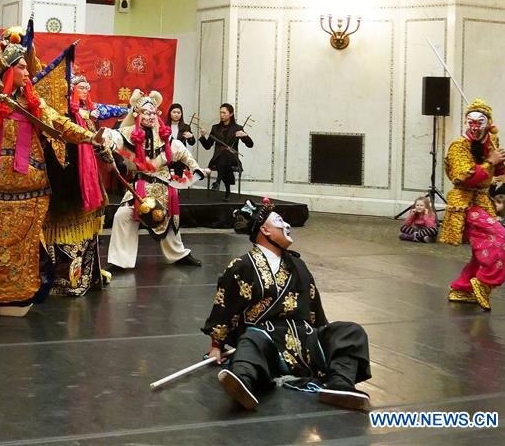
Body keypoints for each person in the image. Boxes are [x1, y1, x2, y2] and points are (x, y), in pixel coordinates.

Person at [0, 29, 104, 316]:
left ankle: (16, 298)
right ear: (8, 70)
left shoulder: (34, 103)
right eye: (22, 67)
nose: (28, 72)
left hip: (29, 190)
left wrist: (90, 137)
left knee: (24, 247)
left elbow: (59, 124)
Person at [203, 199, 372, 411]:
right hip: (266, 339)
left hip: (304, 338)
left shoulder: (298, 265)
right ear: (265, 230)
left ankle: (340, 385)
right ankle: (242, 382)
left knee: (351, 332)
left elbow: (314, 309)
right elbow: (224, 305)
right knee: (250, 339)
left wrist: (328, 337)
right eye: (279, 221)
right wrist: (216, 347)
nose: (287, 225)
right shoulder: (241, 266)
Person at [102, 90, 208, 272]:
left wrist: (195, 168)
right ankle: (119, 260)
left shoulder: (164, 134)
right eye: (146, 112)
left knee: (169, 220)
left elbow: (181, 151)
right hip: (140, 185)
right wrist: (103, 137)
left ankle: (179, 254)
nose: (150, 116)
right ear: (137, 114)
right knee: (123, 215)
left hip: (164, 184)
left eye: (153, 112)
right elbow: (113, 136)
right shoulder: (128, 133)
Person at [44, 73, 127, 296]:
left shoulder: (85, 115)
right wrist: (109, 161)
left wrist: (111, 161)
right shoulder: (58, 115)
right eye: (80, 87)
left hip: (83, 178)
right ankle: (65, 279)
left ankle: (77, 277)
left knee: (80, 230)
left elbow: (98, 142)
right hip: (64, 179)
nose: (85, 91)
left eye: (86, 88)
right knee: (63, 229)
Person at [440, 99, 505, 310]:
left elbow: (495, 172)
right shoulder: (458, 146)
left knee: (482, 248)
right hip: (465, 202)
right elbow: (466, 178)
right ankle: (484, 282)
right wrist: (490, 162)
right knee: (500, 236)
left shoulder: (490, 141)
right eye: (471, 121)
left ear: (489, 124)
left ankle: (462, 289)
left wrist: (499, 164)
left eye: (480, 122)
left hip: (482, 201)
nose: (475, 126)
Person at [199, 103, 252, 199]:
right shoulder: (215, 128)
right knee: (222, 156)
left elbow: (250, 145)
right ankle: (226, 189)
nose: (221, 115)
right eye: (220, 113)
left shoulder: (238, 128)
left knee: (225, 156)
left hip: (232, 158)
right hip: (217, 158)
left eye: (224, 113)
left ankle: (217, 182)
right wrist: (202, 136)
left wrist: (245, 136)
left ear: (231, 114)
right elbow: (207, 146)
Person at [167, 103, 196, 180]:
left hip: (180, 157)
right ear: (170, 113)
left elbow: (192, 143)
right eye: (174, 112)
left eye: (178, 112)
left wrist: (191, 137)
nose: (176, 114)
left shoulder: (186, 127)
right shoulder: (165, 126)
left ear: (181, 114)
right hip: (167, 156)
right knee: (167, 180)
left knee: (178, 180)